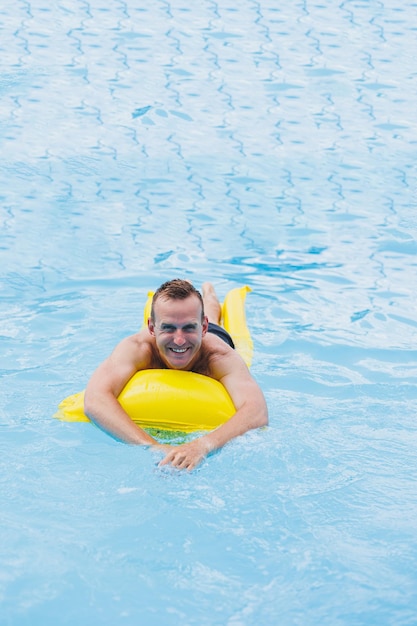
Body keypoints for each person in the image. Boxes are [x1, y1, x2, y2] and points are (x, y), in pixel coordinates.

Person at [84, 279, 268, 470]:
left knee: (212, 314)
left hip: (213, 336)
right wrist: (152, 446)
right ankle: (188, 288)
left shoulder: (218, 356)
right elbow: (95, 399)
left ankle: (209, 294)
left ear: (202, 327)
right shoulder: (137, 348)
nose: (179, 340)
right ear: (152, 328)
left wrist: (202, 446)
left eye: (189, 327)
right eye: (168, 328)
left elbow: (257, 412)